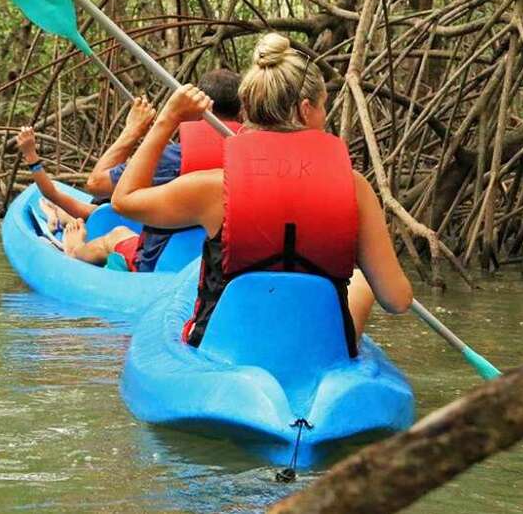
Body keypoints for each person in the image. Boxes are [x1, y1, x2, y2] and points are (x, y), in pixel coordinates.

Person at [112, 33, 412, 350]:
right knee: (362, 283)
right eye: (324, 106)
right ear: (306, 109)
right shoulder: (356, 188)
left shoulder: (214, 187)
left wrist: (167, 119)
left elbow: (124, 199)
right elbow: (397, 299)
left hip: (225, 345)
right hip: (316, 351)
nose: (325, 116)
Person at [84, 69, 243, 272]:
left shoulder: (171, 159)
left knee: (116, 234)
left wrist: (132, 131)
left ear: (196, 109)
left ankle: (74, 249)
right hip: (224, 265)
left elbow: (96, 184)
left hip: (160, 264)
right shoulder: (250, 158)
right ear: (241, 112)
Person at [16, 125, 141, 266]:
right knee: (76, 214)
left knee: (77, 216)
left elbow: (52, 193)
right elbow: (52, 194)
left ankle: (63, 228)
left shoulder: (112, 209)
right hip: (99, 209)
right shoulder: (107, 206)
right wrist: (30, 155)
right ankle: (55, 215)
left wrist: (31, 156)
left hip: (98, 214)